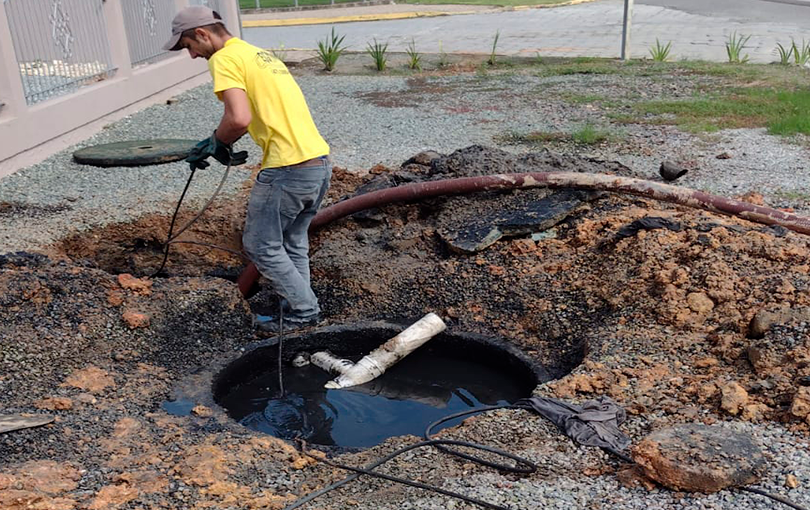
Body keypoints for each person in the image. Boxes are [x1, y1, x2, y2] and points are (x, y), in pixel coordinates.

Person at [163, 6, 331, 333]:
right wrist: (218, 139)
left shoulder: (224, 58)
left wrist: (217, 142)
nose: (192, 55)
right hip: (318, 164)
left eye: (188, 46)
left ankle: (303, 311)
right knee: (293, 241)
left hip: (287, 168)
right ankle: (299, 307)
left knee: (260, 245)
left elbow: (239, 118)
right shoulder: (257, 54)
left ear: (202, 34)